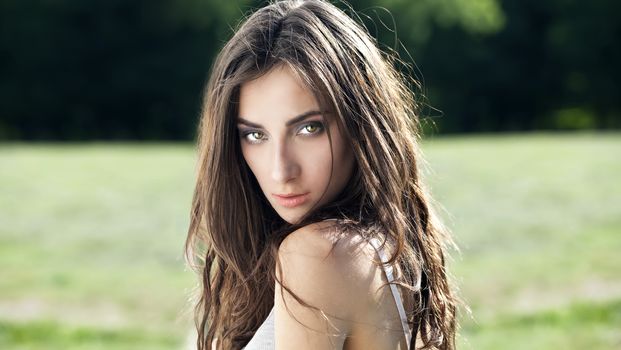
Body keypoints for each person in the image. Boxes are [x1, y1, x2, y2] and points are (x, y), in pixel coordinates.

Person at [184, 0, 460, 349]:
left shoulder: (317, 255)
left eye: (309, 128)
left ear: (360, 123)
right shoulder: (381, 247)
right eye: (255, 135)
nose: (280, 170)